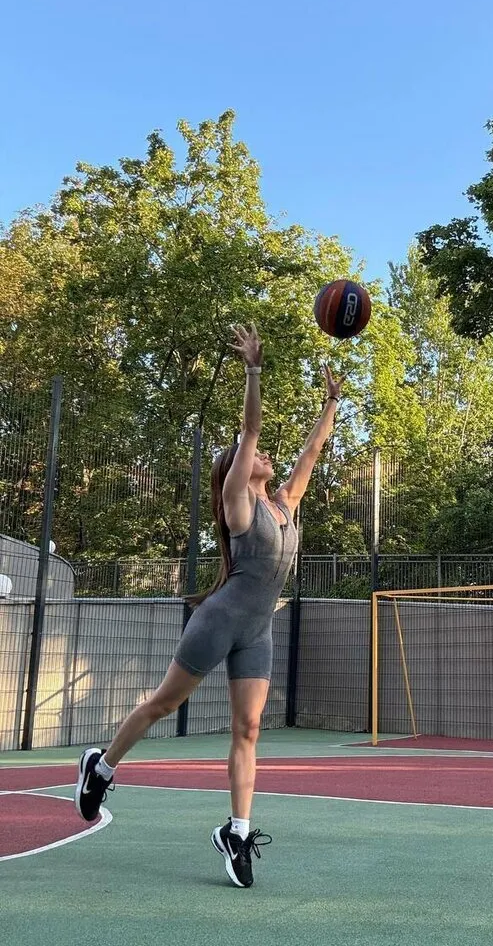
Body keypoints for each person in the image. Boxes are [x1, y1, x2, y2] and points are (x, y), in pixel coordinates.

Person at [74, 323, 344, 888]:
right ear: (237, 471)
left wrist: (331, 404)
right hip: (219, 620)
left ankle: (237, 832)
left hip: (257, 630)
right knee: (163, 704)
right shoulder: (238, 504)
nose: (264, 455)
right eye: (253, 455)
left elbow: (313, 451)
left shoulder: (285, 502)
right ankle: (101, 766)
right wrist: (253, 369)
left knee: (249, 728)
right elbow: (251, 430)